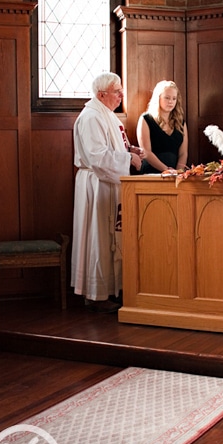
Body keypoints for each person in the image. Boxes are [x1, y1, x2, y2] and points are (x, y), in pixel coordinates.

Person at [71, 72, 146, 313]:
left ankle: (110, 291)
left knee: (110, 238)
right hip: (97, 185)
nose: (121, 94)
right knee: (99, 238)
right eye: (117, 91)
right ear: (102, 94)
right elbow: (96, 157)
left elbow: (113, 147)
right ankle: (96, 295)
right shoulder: (92, 117)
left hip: (109, 183)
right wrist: (128, 159)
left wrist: (131, 149)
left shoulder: (108, 115)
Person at [135, 80, 188, 174]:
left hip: (175, 174)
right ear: (158, 98)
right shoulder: (145, 119)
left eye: (174, 98)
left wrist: (178, 172)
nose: (171, 102)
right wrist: (166, 170)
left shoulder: (181, 123)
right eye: (167, 98)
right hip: (151, 172)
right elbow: (146, 152)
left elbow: (183, 153)